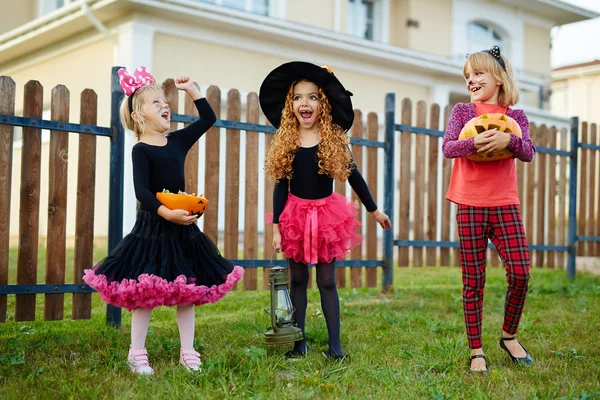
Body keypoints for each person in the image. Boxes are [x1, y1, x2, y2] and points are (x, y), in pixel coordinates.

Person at [83, 66, 244, 375]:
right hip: (152, 228)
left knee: (187, 292)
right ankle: (137, 351)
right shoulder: (141, 150)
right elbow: (142, 191)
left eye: (165, 102)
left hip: (182, 228)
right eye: (155, 103)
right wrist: (166, 211)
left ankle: (188, 351)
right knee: (145, 293)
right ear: (139, 116)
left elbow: (208, 119)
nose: (165, 106)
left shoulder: (178, 142)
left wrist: (193, 91)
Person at [260, 61, 391, 360]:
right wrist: (276, 225)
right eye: (297, 97)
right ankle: (298, 342)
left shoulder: (333, 139)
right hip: (294, 215)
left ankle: (336, 347)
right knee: (298, 280)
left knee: (327, 280)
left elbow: (354, 175)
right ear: (290, 104)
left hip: (326, 217)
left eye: (312, 97)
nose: (304, 103)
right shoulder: (287, 140)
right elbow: (281, 185)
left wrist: (374, 211)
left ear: (323, 104)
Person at [442, 46, 535, 374]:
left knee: (521, 273)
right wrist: (481, 142)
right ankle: (476, 349)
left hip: (505, 203)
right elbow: (449, 147)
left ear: (499, 78)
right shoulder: (462, 112)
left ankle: (509, 335)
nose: (471, 80)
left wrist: (507, 141)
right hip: (469, 203)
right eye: (467, 75)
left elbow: (528, 153)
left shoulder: (516, 117)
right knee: (473, 279)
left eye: (478, 73)